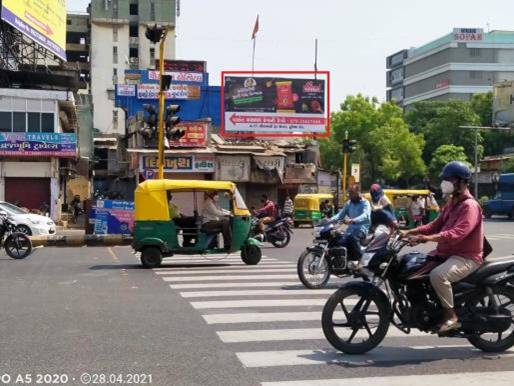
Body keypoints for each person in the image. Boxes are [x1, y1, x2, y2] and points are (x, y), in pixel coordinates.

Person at [401, 161, 484, 334]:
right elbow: (435, 225)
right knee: (413, 267)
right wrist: (411, 231)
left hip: (466, 257)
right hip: (447, 254)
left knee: (438, 275)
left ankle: (451, 316)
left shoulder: (470, 206)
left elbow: (457, 234)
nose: (444, 182)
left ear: (460, 182)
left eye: (449, 179)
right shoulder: (452, 203)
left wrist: (426, 239)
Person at [330, 184, 371, 257]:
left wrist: (353, 220)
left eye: (352, 193)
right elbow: (340, 215)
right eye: (349, 193)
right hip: (350, 231)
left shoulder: (365, 203)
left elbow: (365, 215)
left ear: (358, 192)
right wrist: (329, 220)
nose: (350, 195)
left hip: (361, 230)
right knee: (336, 239)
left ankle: (360, 260)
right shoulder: (349, 203)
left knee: (352, 238)